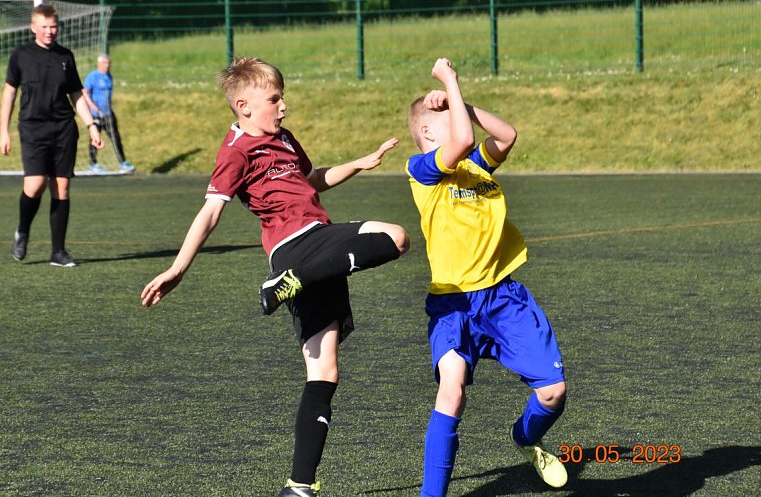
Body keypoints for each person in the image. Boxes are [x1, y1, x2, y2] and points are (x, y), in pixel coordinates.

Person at [140, 56, 410, 496]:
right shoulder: (235, 151)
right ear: (243, 105)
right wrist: (178, 267)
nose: (283, 106)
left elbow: (311, 180)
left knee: (324, 372)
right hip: (297, 248)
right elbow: (211, 212)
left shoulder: (283, 139)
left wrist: (360, 163)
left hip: (314, 255)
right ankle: (293, 279)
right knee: (396, 237)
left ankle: (299, 485)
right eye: (275, 99)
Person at [405, 58, 568, 496]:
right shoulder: (422, 171)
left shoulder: (476, 167)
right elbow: (461, 137)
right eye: (450, 117)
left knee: (554, 393)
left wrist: (465, 102)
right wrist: (448, 80)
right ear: (429, 134)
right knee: (452, 393)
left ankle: (526, 439)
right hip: (454, 304)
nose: (461, 122)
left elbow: (507, 135)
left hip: (503, 297)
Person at [0, 3, 104, 268]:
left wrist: (91, 125)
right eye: (44, 27)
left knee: (62, 188)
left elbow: (77, 94)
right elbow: (9, 92)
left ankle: (58, 252)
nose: (49, 31)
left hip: (63, 129)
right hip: (33, 129)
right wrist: (4, 131)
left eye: (53, 26)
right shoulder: (20, 55)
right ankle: (22, 230)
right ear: (33, 27)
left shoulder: (65, 56)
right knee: (34, 186)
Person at [82, 53, 135, 173]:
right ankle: (93, 163)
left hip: (108, 113)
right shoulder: (92, 77)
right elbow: (85, 93)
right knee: (95, 138)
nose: (107, 66)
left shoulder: (109, 76)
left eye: (109, 63)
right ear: (99, 63)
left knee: (115, 137)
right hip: (96, 115)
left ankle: (123, 162)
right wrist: (95, 109)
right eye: (105, 63)